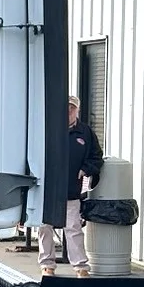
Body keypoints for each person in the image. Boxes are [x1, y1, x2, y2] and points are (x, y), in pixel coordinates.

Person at [38, 95, 103, 277]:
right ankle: (47, 265)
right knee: (44, 227)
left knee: (73, 228)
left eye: (72, 108)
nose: (68, 111)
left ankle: (81, 267)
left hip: (71, 190)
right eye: (65, 107)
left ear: (77, 110)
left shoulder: (85, 133)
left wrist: (85, 169)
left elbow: (96, 157)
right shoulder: (48, 129)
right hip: (47, 190)